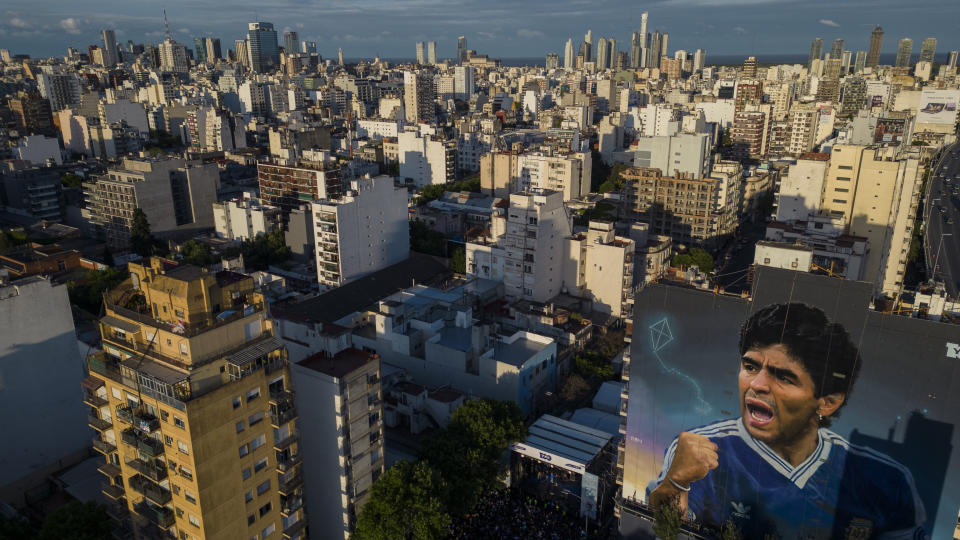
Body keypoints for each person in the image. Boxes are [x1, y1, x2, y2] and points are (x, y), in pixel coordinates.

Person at [647, 303, 926, 539]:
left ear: (827, 402)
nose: (757, 384)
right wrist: (676, 482)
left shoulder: (888, 482)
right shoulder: (701, 451)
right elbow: (668, 530)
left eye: (783, 376)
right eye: (750, 366)